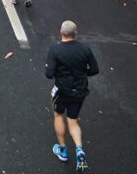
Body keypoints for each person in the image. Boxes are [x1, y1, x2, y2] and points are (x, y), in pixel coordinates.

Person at [45, 20, 99, 171]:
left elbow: (49, 74)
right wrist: (82, 74)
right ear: (75, 33)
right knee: (73, 120)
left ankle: (63, 150)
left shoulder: (55, 50)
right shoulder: (85, 49)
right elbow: (94, 70)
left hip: (62, 91)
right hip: (80, 90)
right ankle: (79, 149)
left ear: (60, 32)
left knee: (58, 115)